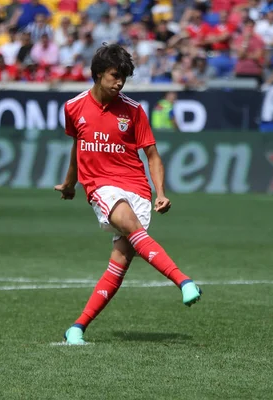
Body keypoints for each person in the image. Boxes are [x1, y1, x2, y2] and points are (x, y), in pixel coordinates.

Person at [55, 44, 202, 345]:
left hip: (136, 187)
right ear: (97, 75)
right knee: (129, 224)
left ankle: (77, 328)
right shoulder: (74, 107)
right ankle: (183, 281)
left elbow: (153, 155)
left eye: (123, 77)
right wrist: (71, 183)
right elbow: (77, 149)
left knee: (119, 263)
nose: (119, 82)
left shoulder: (134, 110)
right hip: (100, 185)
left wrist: (159, 192)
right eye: (114, 75)